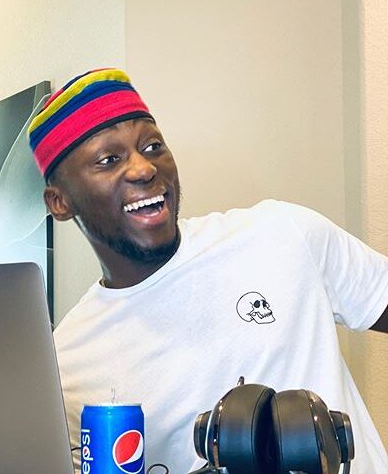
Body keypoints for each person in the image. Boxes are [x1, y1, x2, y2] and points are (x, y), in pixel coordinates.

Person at [27, 68, 388, 473]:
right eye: (109, 160)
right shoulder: (66, 365)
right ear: (60, 202)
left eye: (152, 146)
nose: (143, 168)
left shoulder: (283, 234)